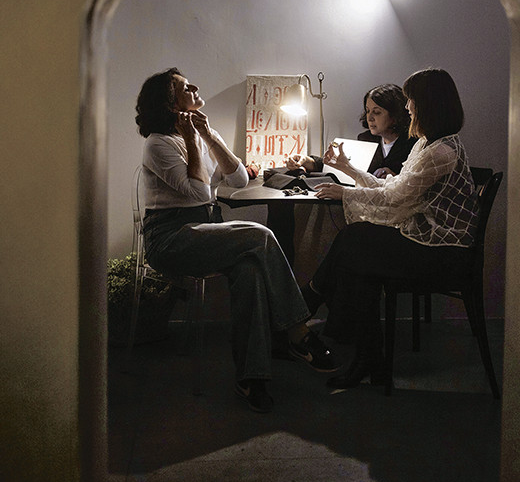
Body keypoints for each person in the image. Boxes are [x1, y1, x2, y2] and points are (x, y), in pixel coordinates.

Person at [136, 67, 338, 413]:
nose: (195, 86)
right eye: (184, 87)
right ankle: (297, 331)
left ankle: (251, 378)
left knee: (251, 272)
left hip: (205, 230)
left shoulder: (200, 133)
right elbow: (200, 193)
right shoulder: (158, 143)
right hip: (169, 238)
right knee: (260, 235)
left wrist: (209, 136)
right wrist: (191, 140)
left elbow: (239, 180)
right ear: (170, 104)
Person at [303, 68, 479, 390]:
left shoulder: (441, 152)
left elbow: (395, 198)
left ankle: (307, 307)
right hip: (427, 242)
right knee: (359, 262)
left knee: (354, 240)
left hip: (444, 252)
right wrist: (347, 169)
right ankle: (368, 359)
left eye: (411, 101)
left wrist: (345, 193)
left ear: (427, 105)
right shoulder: (426, 144)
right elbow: (394, 187)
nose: (407, 107)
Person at [286, 83, 417, 178]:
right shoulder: (366, 139)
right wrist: (306, 160)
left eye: (377, 112)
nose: (370, 118)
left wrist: (396, 177)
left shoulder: (414, 144)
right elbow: (343, 167)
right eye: (368, 111)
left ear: (395, 116)